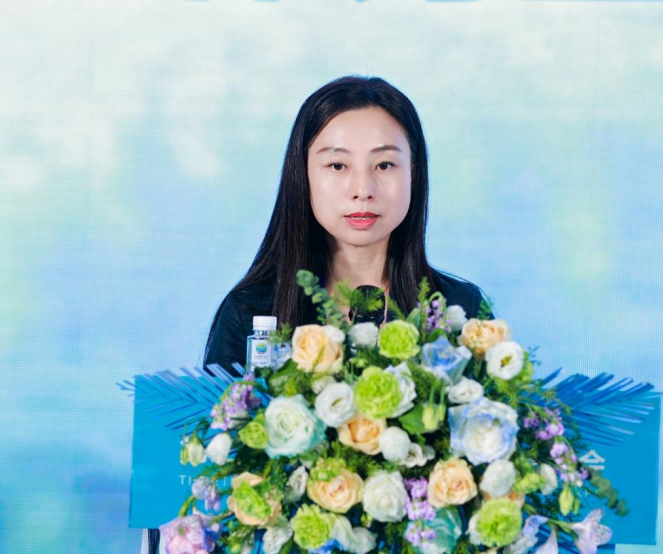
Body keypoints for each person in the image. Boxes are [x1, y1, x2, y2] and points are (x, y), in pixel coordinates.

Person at [143, 74, 494, 553]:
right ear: (303, 175)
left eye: (385, 164)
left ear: (415, 173)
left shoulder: (459, 308)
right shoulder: (251, 312)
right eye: (337, 165)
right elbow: (216, 470)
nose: (362, 189)